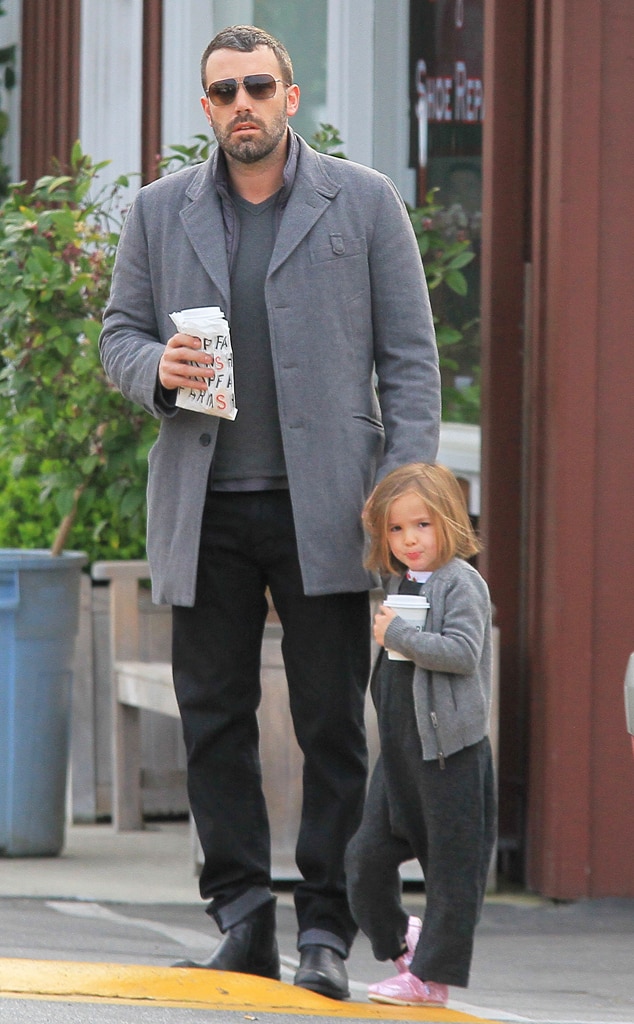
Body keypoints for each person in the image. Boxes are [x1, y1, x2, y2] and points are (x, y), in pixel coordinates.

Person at [100, 24, 440, 1001]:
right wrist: (150, 370)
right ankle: (242, 915)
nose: (240, 103)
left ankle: (326, 927)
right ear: (204, 108)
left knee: (333, 719)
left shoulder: (364, 202)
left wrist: (407, 490)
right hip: (204, 503)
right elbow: (120, 333)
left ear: (291, 94)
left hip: (327, 508)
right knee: (215, 719)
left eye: (257, 85)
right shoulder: (160, 212)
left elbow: (409, 362)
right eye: (221, 91)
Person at [345, 462, 497, 1007]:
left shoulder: (463, 584)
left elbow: (462, 653)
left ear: (449, 522)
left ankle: (431, 979)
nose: (409, 540)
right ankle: (403, 942)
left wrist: (401, 634)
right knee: (364, 860)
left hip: (449, 756)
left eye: (422, 526)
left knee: (453, 876)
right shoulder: (402, 579)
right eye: (395, 529)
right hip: (403, 752)